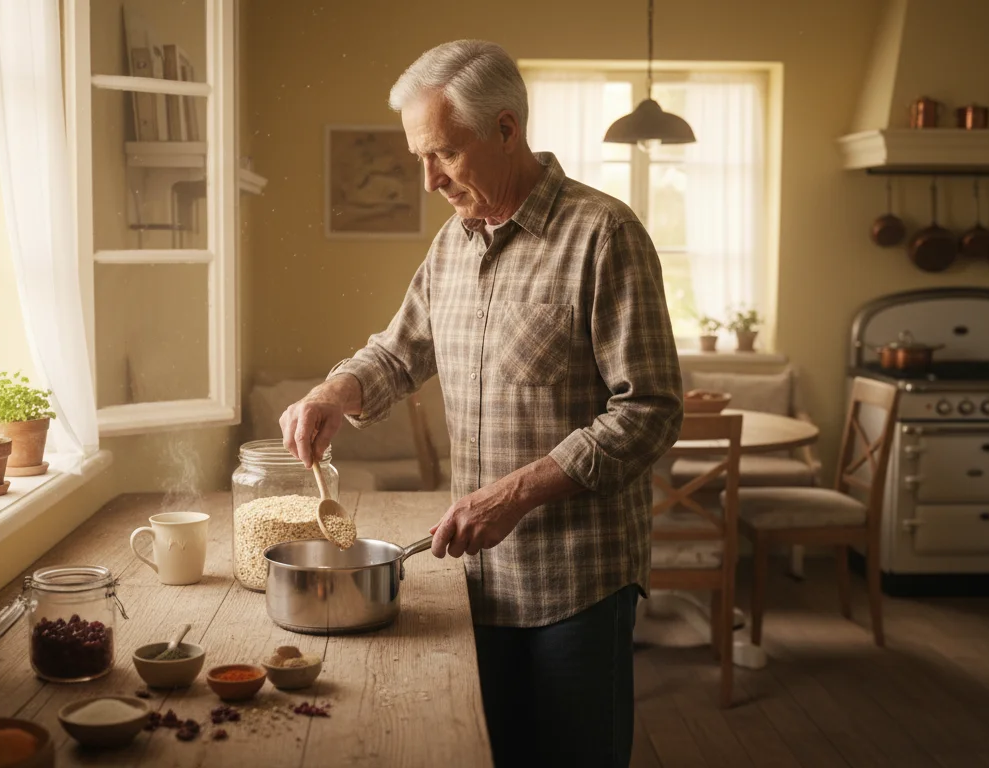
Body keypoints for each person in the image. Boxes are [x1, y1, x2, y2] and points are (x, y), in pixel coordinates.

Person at [278, 39, 684, 767]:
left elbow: (650, 410)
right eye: (419, 158)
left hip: (576, 583)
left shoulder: (605, 235)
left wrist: (518, 494)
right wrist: (334, 392)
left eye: (445, 154)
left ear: (506, 130)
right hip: (476, 575)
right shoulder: (453, 244)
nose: (430, 179)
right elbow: (400, 351)